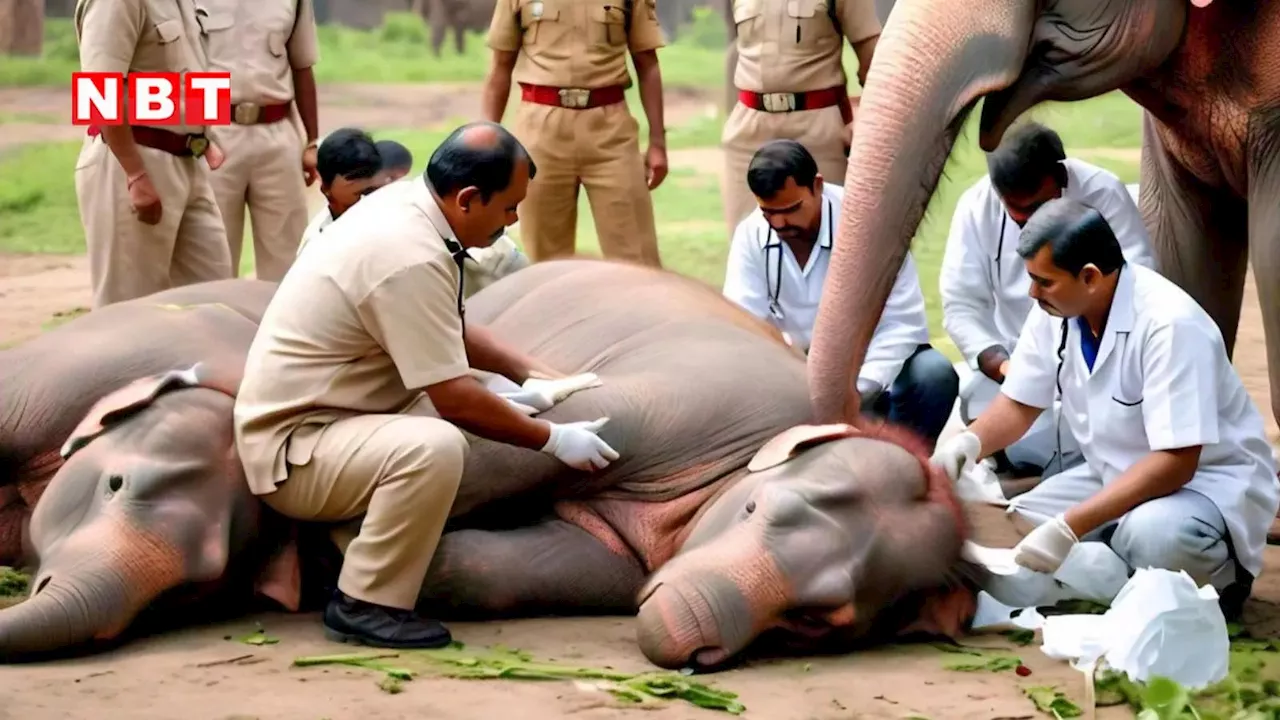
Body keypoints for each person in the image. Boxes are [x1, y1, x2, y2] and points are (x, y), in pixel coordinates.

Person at [234, 121, 619, 648]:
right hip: (299, 447)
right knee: (433, 448)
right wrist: (556, 441)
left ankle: (358, 541)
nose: (513, 221)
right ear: (467, 198)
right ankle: (366, 603)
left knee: (487, 404)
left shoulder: (409, 209)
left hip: (348, 413)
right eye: (508, 207)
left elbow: (445, 326)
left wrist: (529, 375)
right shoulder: (409, 255)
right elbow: (455, 399)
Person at [931, 197, 1279, 621]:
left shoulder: (1170, 325)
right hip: (1113, 472)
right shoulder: (1058, 309)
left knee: (1154, 537)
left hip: (1202, 487)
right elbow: (1020, 403)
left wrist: (1070, 526)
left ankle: (1220, 586)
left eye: (1044, 281)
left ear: (1090, 277)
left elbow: (1177, 463)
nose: (1031, 293)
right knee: (1020, 522)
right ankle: (1112, 575)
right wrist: (968, 444)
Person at [939, 121, 1155, 477]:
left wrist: (1076, 365)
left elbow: (1138, 284)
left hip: (1096, 361)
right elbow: (962, 306)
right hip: (1015, 365)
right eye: (1014, 210)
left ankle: (1054, 461)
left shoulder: (1103, 193)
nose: (1024, 220)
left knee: (1096, 426)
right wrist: (1008, 368)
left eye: (1035, 206)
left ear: (1060, 177)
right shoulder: (976, 207)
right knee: (975, 396)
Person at [723, 140, 958, 448]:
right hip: (798, 374)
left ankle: (904, 462)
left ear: (817, 186)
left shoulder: (871, 223)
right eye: (769, 213)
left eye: (792, 209)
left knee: (934, 374)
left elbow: (902, 325)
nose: (780, 223)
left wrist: (858, 390)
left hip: (873, 366)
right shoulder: (751, 234)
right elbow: (746, 327)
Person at [481, 0, 669, 268]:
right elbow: (500, 67)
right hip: (540, 133)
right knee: (544, 260)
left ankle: (642, 310)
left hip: (611, 131)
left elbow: (648, 64)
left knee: (637, 259)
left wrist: (658, 143)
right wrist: (486, 143)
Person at [73, 0, 234, 308]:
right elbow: (99, 90)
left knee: (212, 301)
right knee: (128, 308)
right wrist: (135, 174)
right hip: (131, 159)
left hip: (187, 162)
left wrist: (203, 136)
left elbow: (188, 72)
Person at [719, 0, 880, 234]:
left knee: (831, 237)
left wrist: (866, 117)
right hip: (749, 130)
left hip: (818, 130)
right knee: (747, 237)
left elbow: (873, 55)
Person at [201, 0, 321, 282]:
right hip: (213, 132)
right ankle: (213, 322)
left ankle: (278, 324)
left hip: (277, 132)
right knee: (212, 254)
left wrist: (311, 140)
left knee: (287, 256)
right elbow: (179, 64)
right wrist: (197, 136)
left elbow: (301, 65)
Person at [295, 128, 386, 257]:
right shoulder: (316, 242)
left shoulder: (383, 221)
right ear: (326, 188)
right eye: (358, 193)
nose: (365, 200)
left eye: (369, 191)